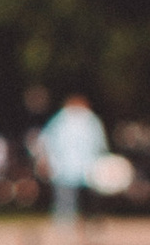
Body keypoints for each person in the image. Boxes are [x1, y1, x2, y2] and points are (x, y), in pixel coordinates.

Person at [36, 92, 109, 230]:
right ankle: (77, 223)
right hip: (81, 168)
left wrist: (45, 160)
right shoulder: (89, 120)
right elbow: (101, 145)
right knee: (80, 199)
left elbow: (45, 141)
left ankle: (68, 224)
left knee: (70, 198)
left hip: (72, 168)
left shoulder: (61, 119)